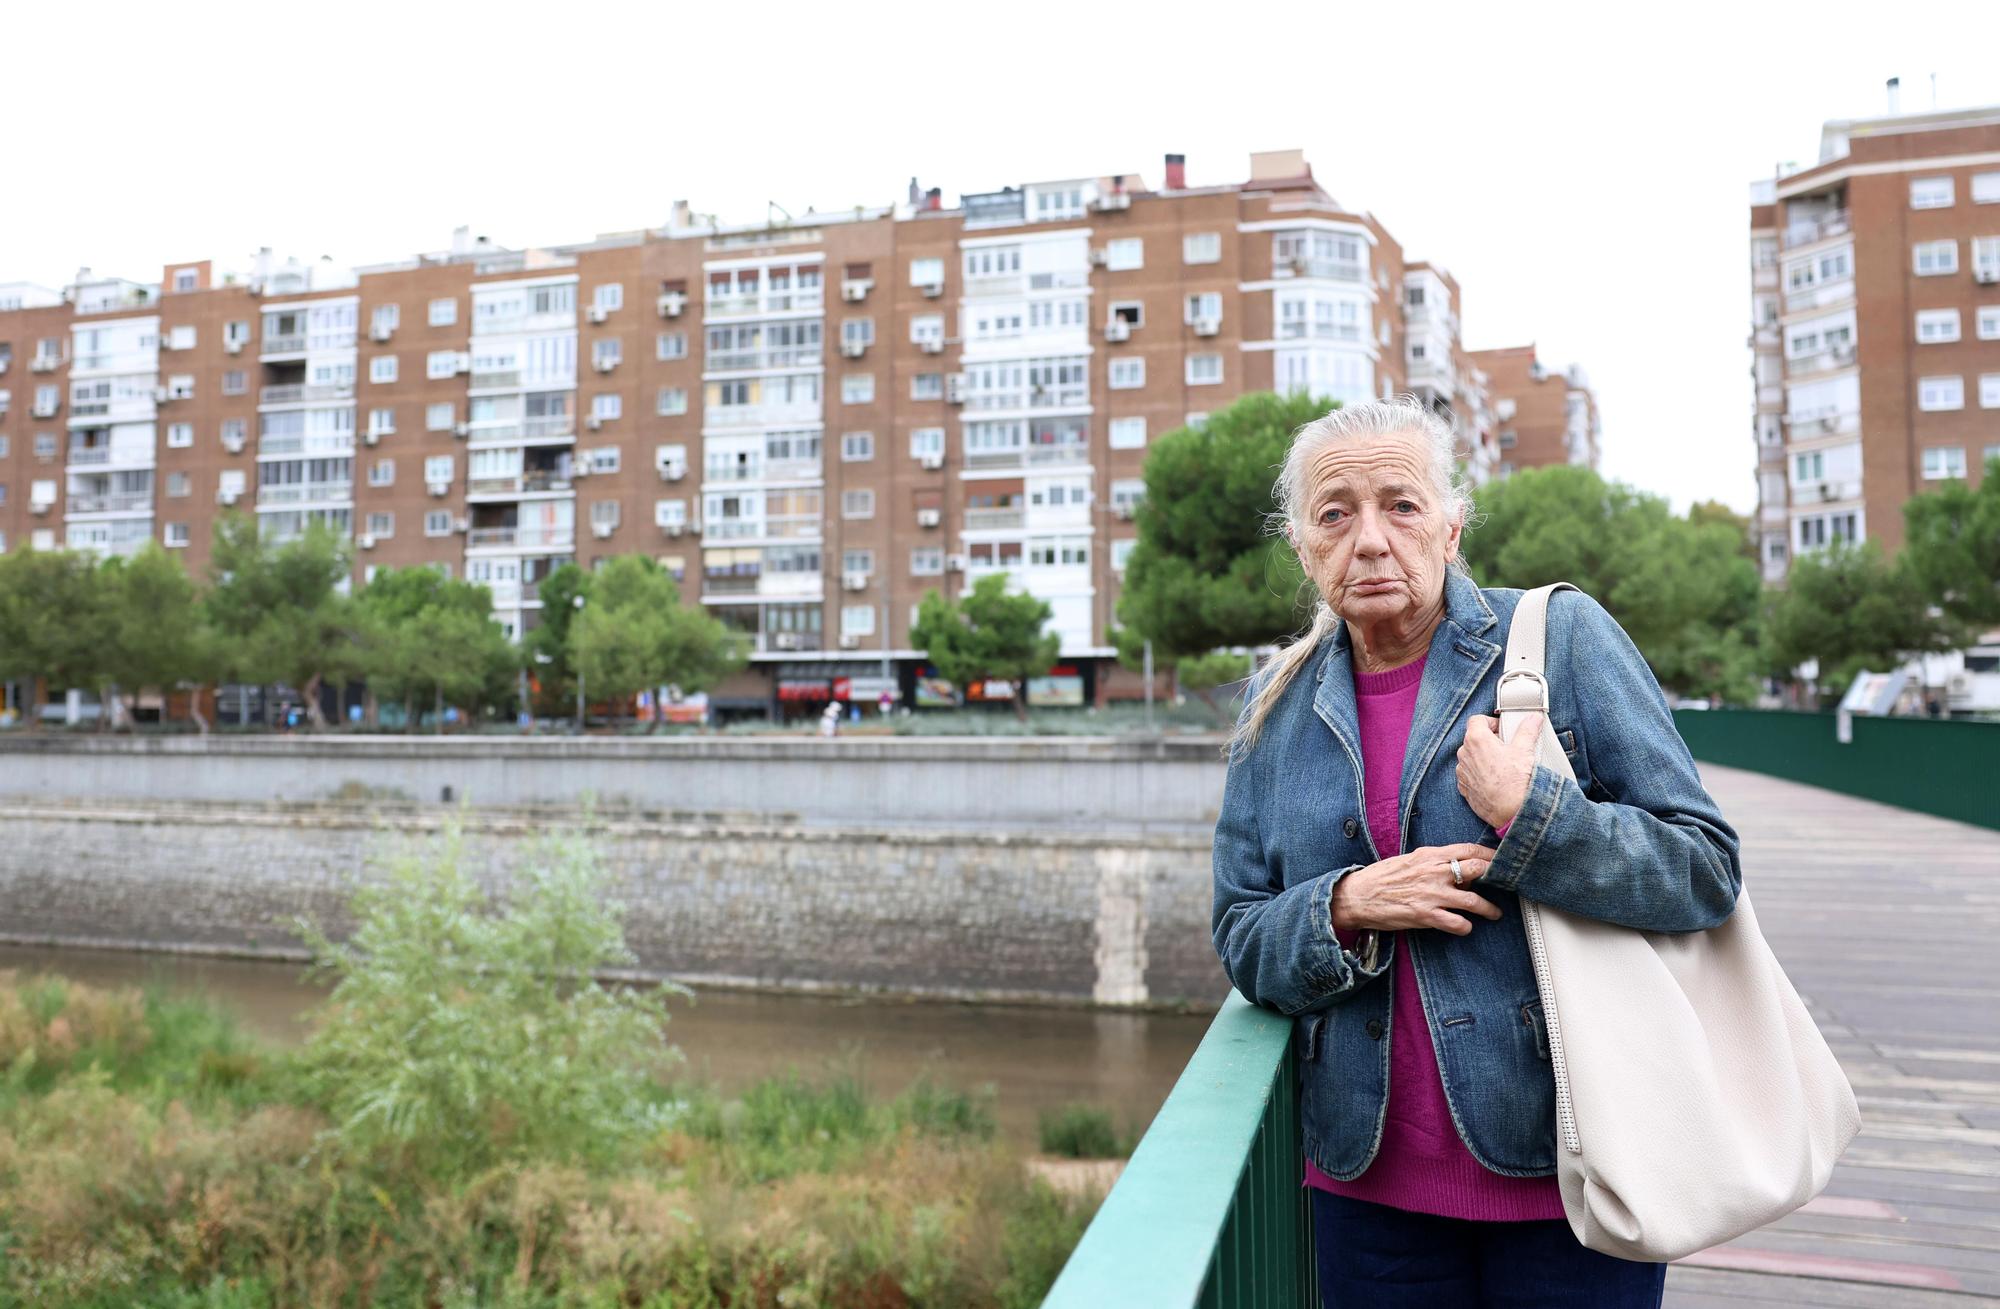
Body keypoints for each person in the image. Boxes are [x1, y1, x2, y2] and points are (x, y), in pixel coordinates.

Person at [1210, 398, 1741, 1308]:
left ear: (1452, 526)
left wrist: (1533, 818)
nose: (1369, 539)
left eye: (1401, 505)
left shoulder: (1559, 639)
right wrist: (1343, 907)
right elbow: (1240, 931)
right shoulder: (1275, 703)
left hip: (1572, 1171)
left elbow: (1703, 867)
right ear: (1302, 545)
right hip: (1364, 1188)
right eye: (1336, 513)